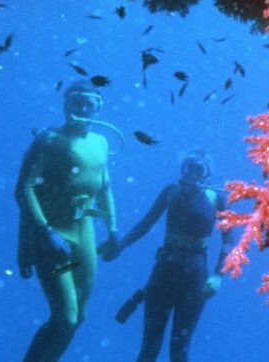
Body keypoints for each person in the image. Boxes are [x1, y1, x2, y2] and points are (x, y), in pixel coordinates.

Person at [15, 80, 120, 362]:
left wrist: (112, 229)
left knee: (79, 316)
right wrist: (45, 231)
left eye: (89, 104)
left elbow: (105, 188)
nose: (83, 108)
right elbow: (26, 188)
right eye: (77, 103)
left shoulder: (101, 142)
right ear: (66, 105)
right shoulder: (49, 140)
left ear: (98, 108)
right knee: (66, 317)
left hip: (83, 235)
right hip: (52, 238)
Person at [103, 149, 234, 362]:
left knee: (179, 350)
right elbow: (146, 223)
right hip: (165, 273)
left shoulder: (215, 198)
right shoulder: (170, 192)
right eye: (189, 168)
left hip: (192, 277)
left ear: (207, 173)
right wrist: (121, 245)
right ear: (182, 170)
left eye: (199, 169)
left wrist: (219, 276)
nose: (193, 174)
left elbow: (229, 240)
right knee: (149, 347)